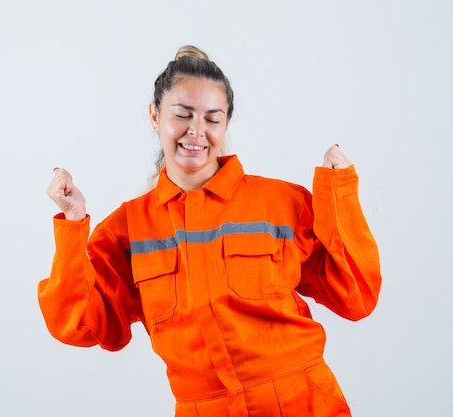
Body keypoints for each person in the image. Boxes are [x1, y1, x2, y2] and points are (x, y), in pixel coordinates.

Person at [38, 45, 382, 417]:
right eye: (182, 114)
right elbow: (79, 325)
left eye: (212, 118)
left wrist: (340, 191)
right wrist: (74, 223)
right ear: (155, 115)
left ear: (227, 122)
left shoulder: (281, 202)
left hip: (304, 403)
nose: (196, 131)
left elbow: (356, 296)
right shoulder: (128, 229)